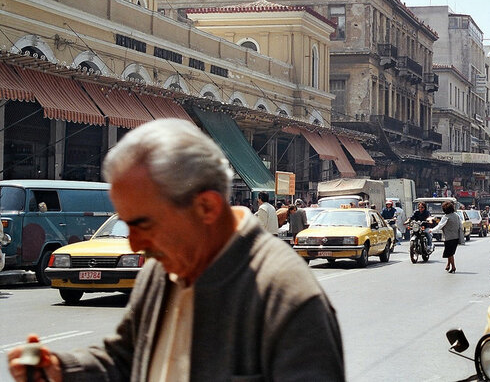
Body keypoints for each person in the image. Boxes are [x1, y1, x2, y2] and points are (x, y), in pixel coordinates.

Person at [6, 118, 344, 382]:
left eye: (144, 223)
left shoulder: (288, 300)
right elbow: (127, 357)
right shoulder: (160, 270)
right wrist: (62, 369)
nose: (135, 243)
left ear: (207, 208)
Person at [435, 201, 461, 273]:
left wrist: (432, 230)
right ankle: (448, 265)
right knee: (450, 253)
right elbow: (460, 226)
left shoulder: (446, 217)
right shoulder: (456, 215)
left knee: (449, 253)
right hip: (456, 237)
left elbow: (440, 226)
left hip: (449, 238)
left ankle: (453, 267)